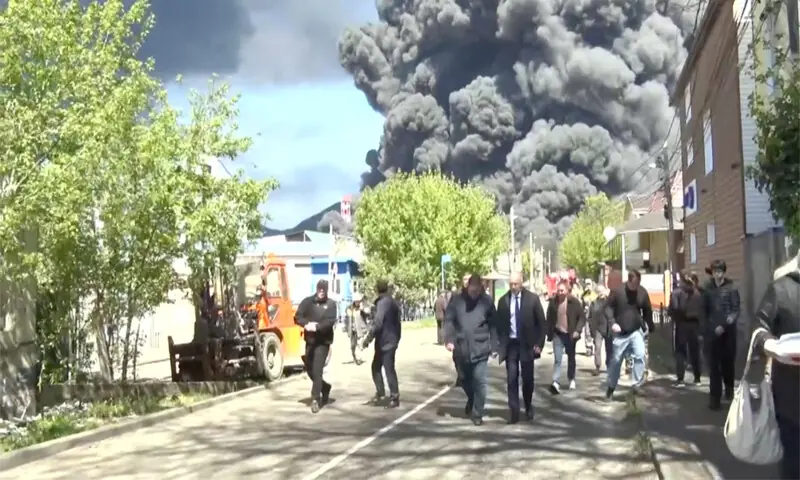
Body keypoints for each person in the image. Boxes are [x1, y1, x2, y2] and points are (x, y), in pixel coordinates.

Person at [752, 253, 799, 479]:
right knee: (794, 463)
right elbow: (759, 326)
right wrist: (770, 344)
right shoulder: (781, 289)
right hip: (792, 399)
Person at [444, 274, 498, 426]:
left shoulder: (486, 302)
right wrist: (449, 339)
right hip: (461, 348)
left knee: (480, 381)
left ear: (481, 288)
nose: (474, 294)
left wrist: (494, 346)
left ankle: (477, 413)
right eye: (472, 290)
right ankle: (472, 399)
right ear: (468, 287)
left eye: (477, 291)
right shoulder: (457, 301)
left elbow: (494, 325)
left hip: (480, 348)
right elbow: (449, 321)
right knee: (464, 379)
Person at [495, 272, 546, 423]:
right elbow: (499, 324)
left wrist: (539, 344)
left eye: (516, 284)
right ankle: (514, 411)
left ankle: (528, 405)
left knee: (528, 379)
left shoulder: (532, 299)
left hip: (527, 345)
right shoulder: (503, 301)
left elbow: (541, 323)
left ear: (521, 283)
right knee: (511, 379)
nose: (513, 287)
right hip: (511, 345)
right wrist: (499, 344)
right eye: (511, 284)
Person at [604, 269, 654, 401]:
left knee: (640, 355)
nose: (636, 287)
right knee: (616, 361)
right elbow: (608, 308)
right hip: (620, 333)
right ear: (629, 281)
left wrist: (649, 325)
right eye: (634, 284)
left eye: (638, 284)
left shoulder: (642, 292)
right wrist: (612, 322)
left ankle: (636, 385)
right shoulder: (618, 292)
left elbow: (647, 310)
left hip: (636, 331)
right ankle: (611, 387)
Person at [294, 280, 337, 413]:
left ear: (326, 290)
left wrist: (317, 327)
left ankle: (315, 399)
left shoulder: (331, 304)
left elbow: (330, 321)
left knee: (317, 370)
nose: (321, 292)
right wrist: (306, 324)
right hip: (310, 342)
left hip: (323, 342)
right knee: (310, 370)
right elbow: (297, 317)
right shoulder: (308, 302)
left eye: (324, 290)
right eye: (320, 289)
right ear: (317, 289)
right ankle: (325, 387)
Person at [702, 259, 740, 410]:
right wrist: (706, 329)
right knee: (714, 367)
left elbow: (735, 310)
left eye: (720, 271)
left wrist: (726, 324)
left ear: (724, 272)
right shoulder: (708, 290)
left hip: (728, 334)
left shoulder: (731, 289)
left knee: (727, 364)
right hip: (712, 334)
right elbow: (704, 311)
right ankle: (714, 399)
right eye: (715, 271)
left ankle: (729, 388)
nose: (717, 274)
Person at [361, 280, 402, 408]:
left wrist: (367, 340)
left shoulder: (383, 303)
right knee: (376, 367)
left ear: (377, 290)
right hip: (387, 339)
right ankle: (381, 393)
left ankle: (394, 396)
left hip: (386, 341)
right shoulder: (391, 302)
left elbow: (378, 323)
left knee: (388, 368)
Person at [546, 280, 587, 394]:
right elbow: (549, 317)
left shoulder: (574, 302)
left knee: (571, 357)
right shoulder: (553, 302)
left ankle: (571, 378)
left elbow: (582, 318)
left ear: (567, 291)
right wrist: (548, 330)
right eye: (558, 290)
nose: (560, 293)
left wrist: (577, 330)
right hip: (557, 334)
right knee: (557, 359)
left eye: (562, 290)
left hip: (570, 334)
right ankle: (556, 381)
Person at [668, 271, 705, 387]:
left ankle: (680, 379)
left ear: (682, 280)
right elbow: (704, 309)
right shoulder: (699, 293)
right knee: (695, 351)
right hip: (695, 325)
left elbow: (673, 309)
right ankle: (697, 378)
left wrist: (674, 317)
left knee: (680, 352)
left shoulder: (676, 293)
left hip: (681, 324)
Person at [449, 274, 471, 387]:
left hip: (472, 333)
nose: (466, 281)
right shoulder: (456, 296)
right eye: (464, 279)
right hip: (458, 332)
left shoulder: (478, 295)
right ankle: (461, 376)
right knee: (457, 356)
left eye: (468, 279)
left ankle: (468, 377)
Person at [589, 285, 613, 375]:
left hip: (608, 329)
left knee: (609, 349)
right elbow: (590, 317)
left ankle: (609, 367)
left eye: (602, 291)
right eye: (598, 291)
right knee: (597, 348)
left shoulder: (610, 302)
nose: (600, 293)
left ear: (605, 291)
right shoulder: (594, 303)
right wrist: (591, 330)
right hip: (598, 329)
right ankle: (597, 366)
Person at [346, 293, 370, 365]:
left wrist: (362, 308)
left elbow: (368, 312)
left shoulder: (363, 308)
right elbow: (347, 318)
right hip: (353, 330)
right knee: (353, 345)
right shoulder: (350, 308)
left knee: (360, 345)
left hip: (361, 330)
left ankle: (359, 359)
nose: (357, 302)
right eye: (356, 301)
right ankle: (354, 357)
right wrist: (346, 328)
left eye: (358, 301)